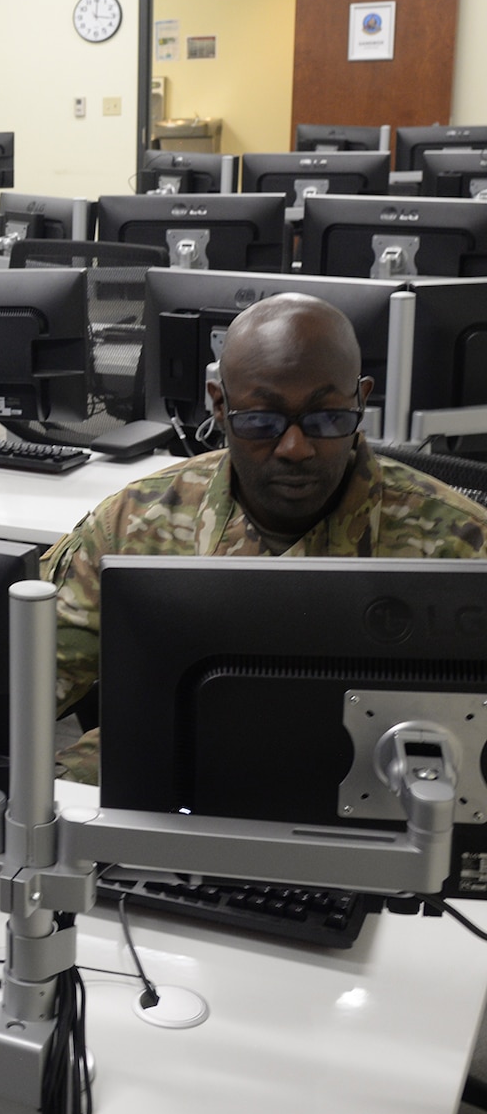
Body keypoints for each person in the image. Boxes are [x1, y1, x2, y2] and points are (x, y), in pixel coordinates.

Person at [46, 292, 487, 783]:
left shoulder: (462, 543)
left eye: (326, 420)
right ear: (218, 406)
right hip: (159, 782)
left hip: (373, 796)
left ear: (361, 401)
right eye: (260, 421)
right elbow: (27, 687)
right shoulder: (135, 521)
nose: (295, 448)